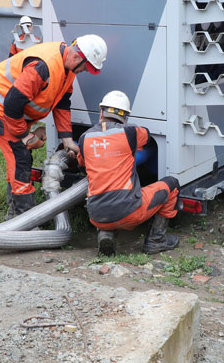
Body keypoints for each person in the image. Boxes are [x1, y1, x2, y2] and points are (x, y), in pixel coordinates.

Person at [0, 35, 107, 219]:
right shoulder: (42, 66)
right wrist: (25, 136)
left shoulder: (68, 68)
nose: (85, 71)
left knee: (21, 154)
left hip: (15, 107)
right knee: (19, 155)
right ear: (78, 57)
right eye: (87, 67)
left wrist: (67, 139)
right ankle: (23, 219)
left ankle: (14, 213)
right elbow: (12, 104)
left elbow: (62, 102)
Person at [77, 91, 180, 256]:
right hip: (130, 213)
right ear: (125, 117)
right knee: (172, 184)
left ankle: (105, 233)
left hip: (96, 215)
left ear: (101, 111)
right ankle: (156, 240)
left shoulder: (84, 138)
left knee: (105, 200)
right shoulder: (130, 132)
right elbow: (146, 136)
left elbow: (82, 165)